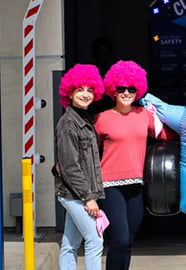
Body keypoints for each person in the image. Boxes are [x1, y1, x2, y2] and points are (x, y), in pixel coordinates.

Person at [94, 60, 166, 270]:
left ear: (138, 90)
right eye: (121, 88)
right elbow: (87, 151)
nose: (126, 92)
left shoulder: (144, 116)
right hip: (109, 186)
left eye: (131, 88)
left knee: (129, 242)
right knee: (120, 239)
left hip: (136, 186)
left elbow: (166, 135)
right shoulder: (101, 118)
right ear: (113, 91)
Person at [54, 64, 105, 270]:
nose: (85, 94)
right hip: (75, 195)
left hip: (77, 193)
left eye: (90, 90)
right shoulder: (69, 123)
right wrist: (89, 198)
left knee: (70, 244)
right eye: (80, 90)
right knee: (95, 241)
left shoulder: (84, 119)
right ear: (70, 92)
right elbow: (70, 166)